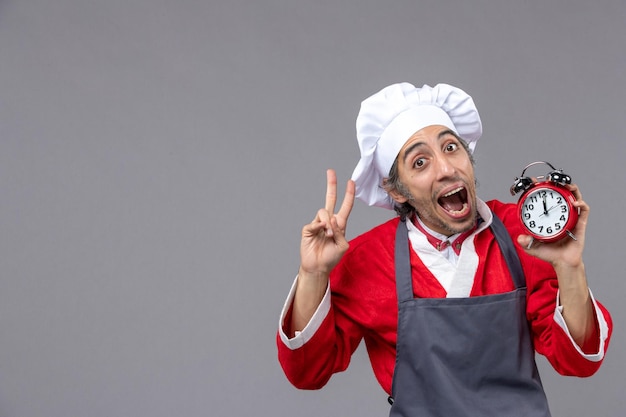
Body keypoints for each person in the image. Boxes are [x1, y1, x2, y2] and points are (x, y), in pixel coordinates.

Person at [276, 82, 612, 417]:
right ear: (397, 191)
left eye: (451, 148)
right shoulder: (368, 258)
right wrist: (314, 274)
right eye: (420, 162)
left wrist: (570, 268)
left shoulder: (523, 235)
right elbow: (308, 372)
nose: (447, 169)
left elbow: (577, 362)